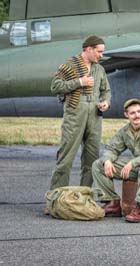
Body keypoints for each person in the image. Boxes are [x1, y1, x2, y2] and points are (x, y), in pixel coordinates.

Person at [49, 35, 111, 190]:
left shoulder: (99, 69)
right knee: (66, 157)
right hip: (75, 113)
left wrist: (106, 102)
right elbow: (55, 87)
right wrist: (79, 82)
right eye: (99, 51)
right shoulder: (70, 65)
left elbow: (106, 90)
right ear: (89, 49)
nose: (101, 55)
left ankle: (85, 196)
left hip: (95, 115)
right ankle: (56, 196)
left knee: (92, 158)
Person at [92, 98, 140, 223]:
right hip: (138, 168)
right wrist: (107, 160)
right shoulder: (125, 131)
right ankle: (112, 203)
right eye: (132, 113)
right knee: (98, 165)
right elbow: (112, 148)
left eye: (139, 112)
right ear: (126, 115)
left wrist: (133, 162)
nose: (137, 115)